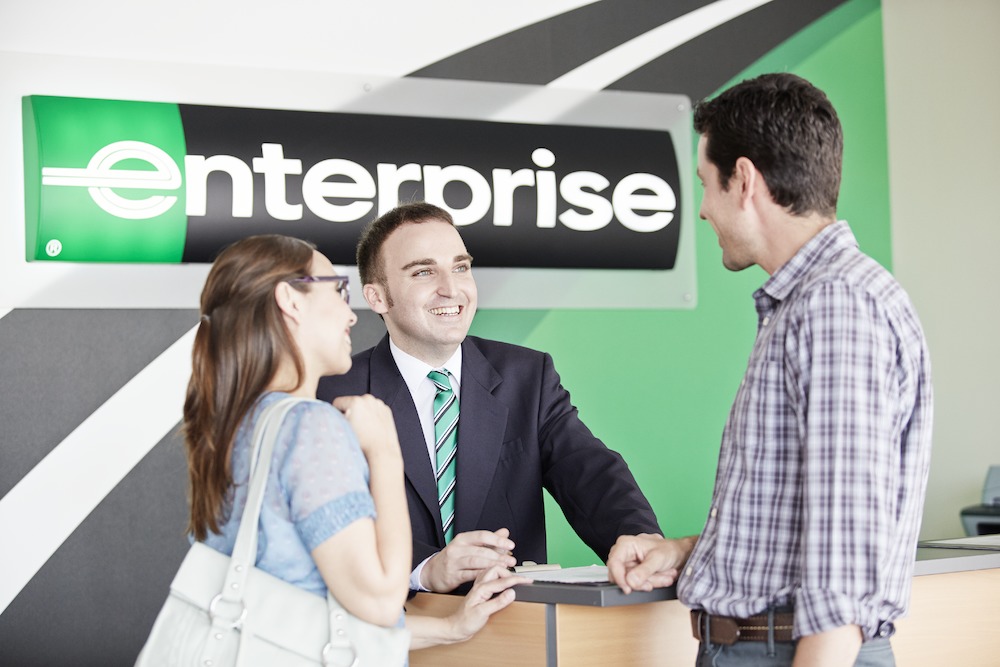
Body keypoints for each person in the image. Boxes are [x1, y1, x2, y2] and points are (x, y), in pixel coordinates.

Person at [607, 73, 933, 666]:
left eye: (705, 184)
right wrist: (687, 551)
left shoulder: (835, 304)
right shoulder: (814, 300)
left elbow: (843, 559)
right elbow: (794, 520)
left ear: (745, 181)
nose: (702, 210)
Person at [183, 234, 526, 656]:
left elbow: (309, 615)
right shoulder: (311, 425)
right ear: (291, 301)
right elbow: (380, 604)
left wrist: (450, 628)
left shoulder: (245, 423)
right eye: (338, 291)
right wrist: (384, 451)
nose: (350, 315)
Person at [317, 202, 680, 594]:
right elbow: (329, 528)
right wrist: (424, 568)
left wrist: (639, 539)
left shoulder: (528, 376)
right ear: (377, 297)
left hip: (513, 621)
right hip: (393, 621)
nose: (451, 288)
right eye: (424, 272)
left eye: (460, 267)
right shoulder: (332, 393)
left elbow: (589, 471)